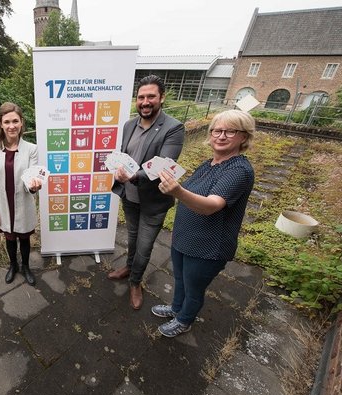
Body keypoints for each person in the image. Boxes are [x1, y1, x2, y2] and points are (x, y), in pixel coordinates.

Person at [152, 110, 255, 337]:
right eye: (217, 130)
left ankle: (184, 320)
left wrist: (177, 190)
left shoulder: (238, 170)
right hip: (185, 238)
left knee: (194, 288)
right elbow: (192, 192)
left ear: (244, 137)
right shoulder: (210, 163)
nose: (221, 136)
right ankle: (176, 308)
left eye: (231, 131)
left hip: (208, 246)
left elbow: (211, 205)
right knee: (180, 279)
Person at [108, 75, 185, 310]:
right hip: (130, 197)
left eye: (151, 96)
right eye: (141, 97)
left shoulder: (173, 128)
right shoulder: (128, 125)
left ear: (161, 98)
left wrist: (133, 176)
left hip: (154, 201)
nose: (145, 101)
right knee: (132, 238)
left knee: (145, 245)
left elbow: (165, 164)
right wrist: (119, 170)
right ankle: (129, 267)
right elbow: (123, 155)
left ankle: (135, 282)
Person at [0, 102, 42, 286]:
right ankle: (13, 265)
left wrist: (34, 187)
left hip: (23, 203)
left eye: (15, 121)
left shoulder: (31, 149)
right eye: (7, 121)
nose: (11, 126)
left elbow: (30, 181)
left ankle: (25, 266)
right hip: (3, 203)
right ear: (0, 124)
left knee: (24, 237)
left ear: (21, 122)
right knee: (9, 238)